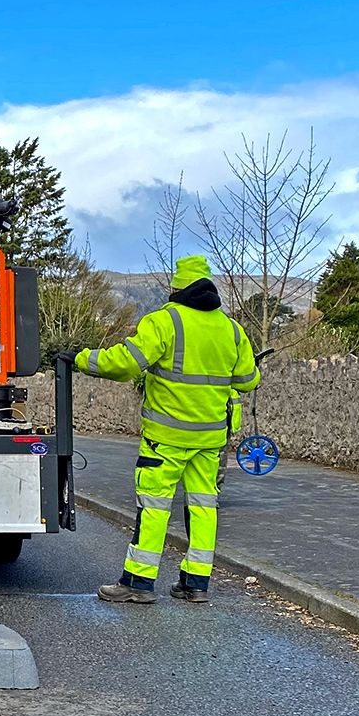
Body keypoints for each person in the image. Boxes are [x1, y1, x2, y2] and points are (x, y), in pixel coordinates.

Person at [73, 254, 260, 605]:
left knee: (155, 507)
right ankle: (195, 585)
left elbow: (126, 364)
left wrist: (82, 359)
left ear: (177, 286)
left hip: (167, 438)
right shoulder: (231, 330)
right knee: (204, 507)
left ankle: (138, 584)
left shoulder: (164, 321)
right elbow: (249, 379)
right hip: (210, 439)